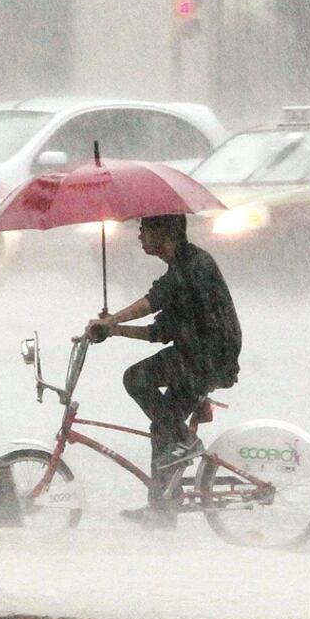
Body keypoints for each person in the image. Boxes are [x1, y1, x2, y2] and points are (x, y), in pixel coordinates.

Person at [85, 214, 242, 526]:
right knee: (162, 428)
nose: (140, 236)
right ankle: (162, 508)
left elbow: (153, 300)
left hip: (209, 355)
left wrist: (112, 319)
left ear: (165, 232)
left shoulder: (194, 265)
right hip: (194, 354)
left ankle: (184, 440)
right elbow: (159, 331)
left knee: (136, 378)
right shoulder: (179, 268)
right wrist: (113, 330)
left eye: (144, 230)